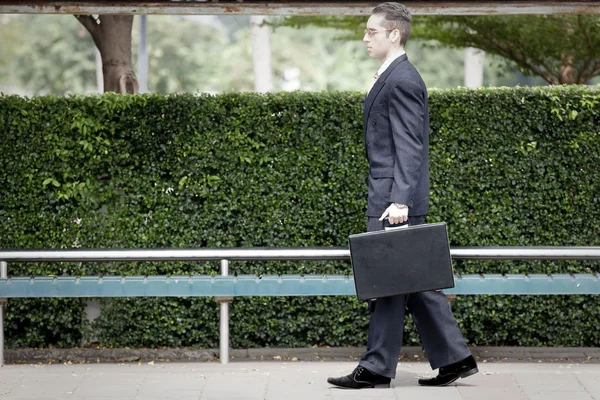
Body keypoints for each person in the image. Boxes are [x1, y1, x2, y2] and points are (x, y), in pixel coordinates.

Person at [327, 2, 478, 389]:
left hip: (392, 201)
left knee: (388, 281)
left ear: (394, 34)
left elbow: (410, 148)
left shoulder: (404, 80)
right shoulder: (392, 76)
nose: (365, 38)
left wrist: (400, 202)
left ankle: (377, 366)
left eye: (371, 31)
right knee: (411, 281)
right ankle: (455, 358)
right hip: (390, 196)